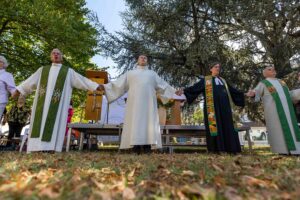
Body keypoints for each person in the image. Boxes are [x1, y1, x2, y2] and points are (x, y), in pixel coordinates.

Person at [13, 48, 102, 152]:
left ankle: (52, 148)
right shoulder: (43, 70)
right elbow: (30, 81)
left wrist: (95, 86)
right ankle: (36, 147)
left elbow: (82, 80)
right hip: (41, 107)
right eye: (53, 53)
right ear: (51, 56)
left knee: (55, 124)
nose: (55, 55)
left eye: (58, 53)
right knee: (39, 124)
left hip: (58, 107)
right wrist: (18, 90)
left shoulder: (67, 72)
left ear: (62, 57)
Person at [98, 54, 175, 154]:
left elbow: (163, 85)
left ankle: (147, 147)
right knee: (135, 122)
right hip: (134, 104)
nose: (143, 59)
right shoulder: (130, 73)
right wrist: (105, 87)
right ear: (137, 60)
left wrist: (173, 91)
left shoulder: (152, 74)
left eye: (145, 58)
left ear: (147, 61)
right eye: (141, 57)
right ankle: (135, 147)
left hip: (149, 105)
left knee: (148, 123)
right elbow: (118, 84)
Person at [176, 61, 245, 153]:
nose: (217, 68)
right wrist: (184, 91)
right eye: (215, 67)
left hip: (225, 109)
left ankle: (231, 149)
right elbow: (195, 88)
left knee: (228, 126)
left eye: (219, 67)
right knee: (214, 127)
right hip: (212, 109)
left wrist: (244, 94)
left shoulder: (223, 81)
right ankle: (216, 150)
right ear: (211, 69)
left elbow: (233, 91)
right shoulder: (206, 80)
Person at [246, 65, 300, 155]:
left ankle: (296, 150)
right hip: (274, 113)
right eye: (269, 69)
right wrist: (253, 93)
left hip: (288, 111)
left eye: (273, 69)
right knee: (279, 130)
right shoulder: (263, 83)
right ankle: (283, 151)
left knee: (291, 128)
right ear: (264, 73)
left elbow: (288, 94)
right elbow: (256, 92)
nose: (273, 70)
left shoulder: (281, 82)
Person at [0, 55, 16, 120]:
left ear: (4, 64)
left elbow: (12, 88)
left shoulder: (7, 75)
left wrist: (18, 95)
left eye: (0, 61)